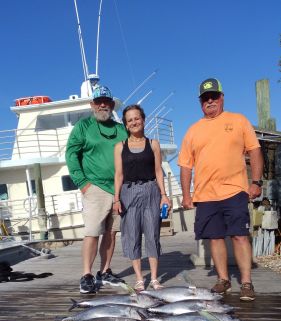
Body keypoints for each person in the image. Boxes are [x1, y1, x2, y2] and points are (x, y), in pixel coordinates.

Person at [178, 78, 264, 301]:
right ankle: (223, 280)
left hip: (235, 190)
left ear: (222, 97)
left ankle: (246, 282)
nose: (210, 101)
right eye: (205, 98)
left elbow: (254, 151)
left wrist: (256, 182)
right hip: (205, 195)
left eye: (213, 96)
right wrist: (186, 194)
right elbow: (186, 165)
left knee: (240, 236)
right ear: (200, 102)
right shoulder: (193, 130)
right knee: (214, 238)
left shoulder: (238, 120)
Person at [66, 85, 128, 293]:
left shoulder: (120, 129)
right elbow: (71, 154)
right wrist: (82, 183)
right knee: (92, 232)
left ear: (111, 105)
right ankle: (87, 274)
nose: (103, 104)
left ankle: (105, 270)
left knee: (111, 232)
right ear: (92, 104)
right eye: (98, 101)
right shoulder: (83, 127)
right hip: (94, 188)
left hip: (119, 190)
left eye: (106, 101)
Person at [114, 104, 171, 291]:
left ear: (143, 120)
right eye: (129, 120)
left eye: (137, 118)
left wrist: (164, 195)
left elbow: (158, 172)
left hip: (151, 191)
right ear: (125, 124)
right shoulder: (119, 147)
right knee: (132, 235)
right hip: (128, 193)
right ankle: (139, 278)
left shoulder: (153, 144)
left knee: (153, 234)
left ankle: (154, 278)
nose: (134, 122)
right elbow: (119, 175)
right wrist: (116, 199)